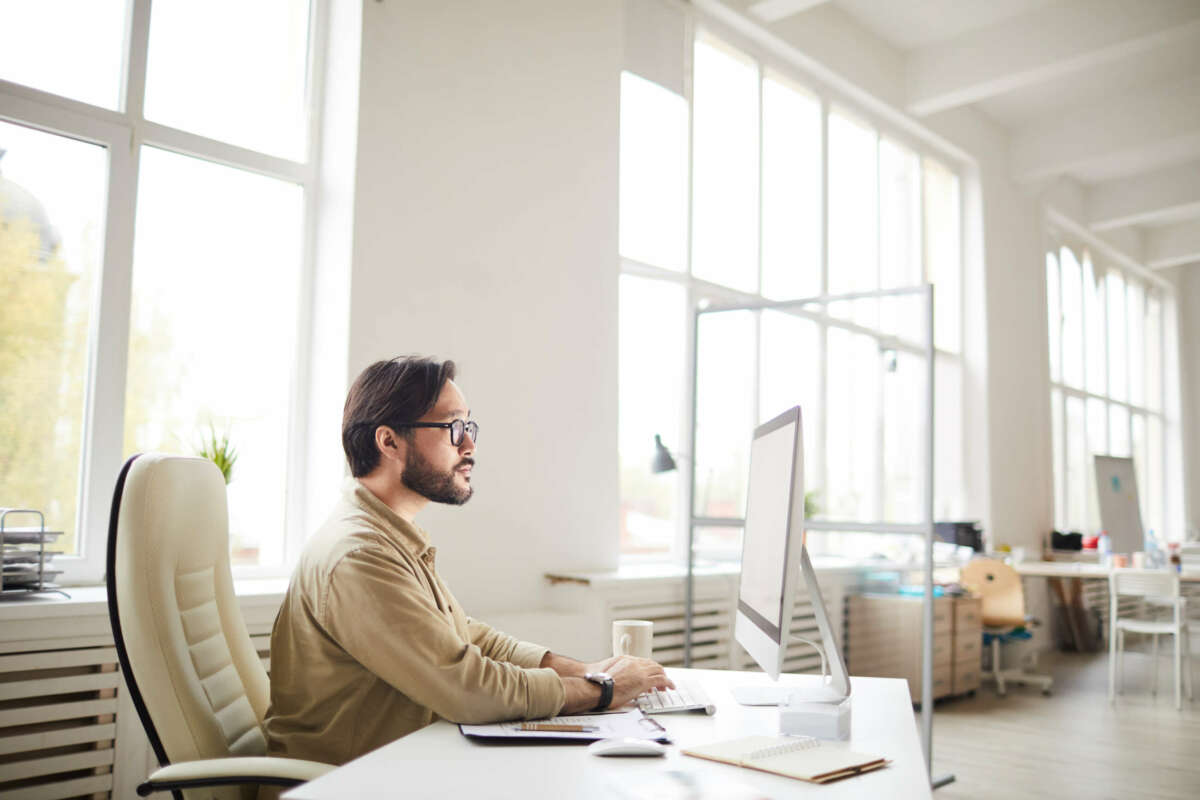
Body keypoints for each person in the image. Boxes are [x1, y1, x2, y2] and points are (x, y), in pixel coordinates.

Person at [262, 356, 673, 769]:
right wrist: (602, 690)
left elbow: (469, 639)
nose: (469, 445)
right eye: (453, 427)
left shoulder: (388, 537)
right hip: (344, 787)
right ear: (388, 442)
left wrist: (585, 669)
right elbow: (468, 687)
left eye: (469, 427)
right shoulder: (360, 555)